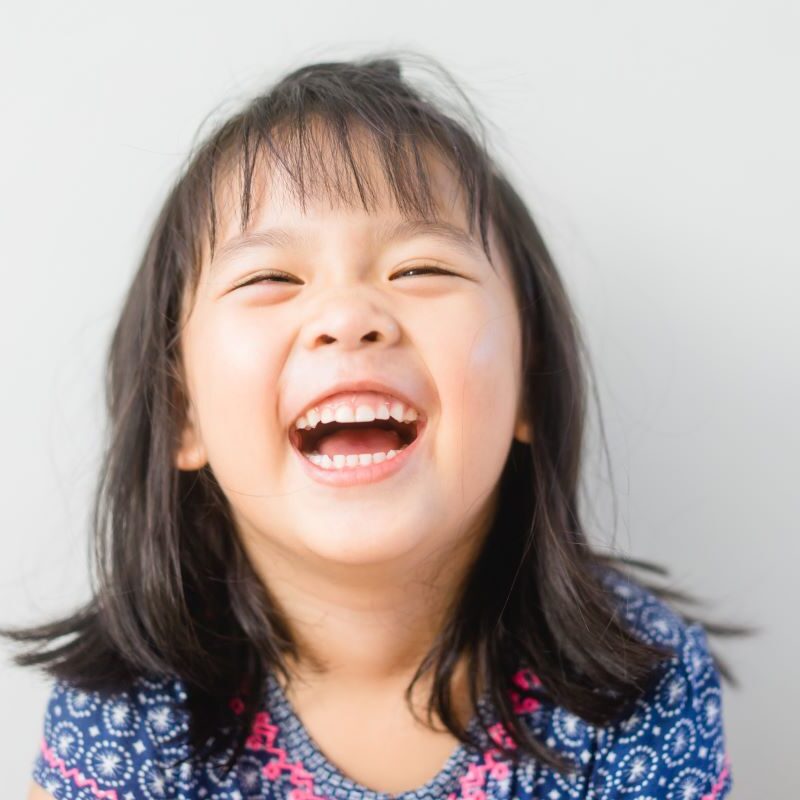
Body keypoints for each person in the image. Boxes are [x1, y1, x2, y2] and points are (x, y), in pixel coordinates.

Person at [4, 52, 742, 799]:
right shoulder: (133, 710)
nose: (349, 317)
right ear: (181, 412)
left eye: (421, 269)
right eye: (271, 279)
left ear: (528, 383)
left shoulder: (635, 686)